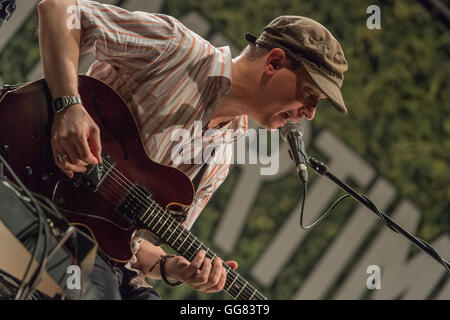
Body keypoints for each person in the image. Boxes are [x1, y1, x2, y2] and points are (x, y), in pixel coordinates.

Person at [37, 0, 348, 299]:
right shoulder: (177, 49)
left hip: (96, 248)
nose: (309, 113)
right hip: (37, 177)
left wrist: (175, 268)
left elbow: (130, 242)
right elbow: (60, 10)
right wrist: (68, 105)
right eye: (309, 94)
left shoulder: (222, 156)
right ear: (274, 62)